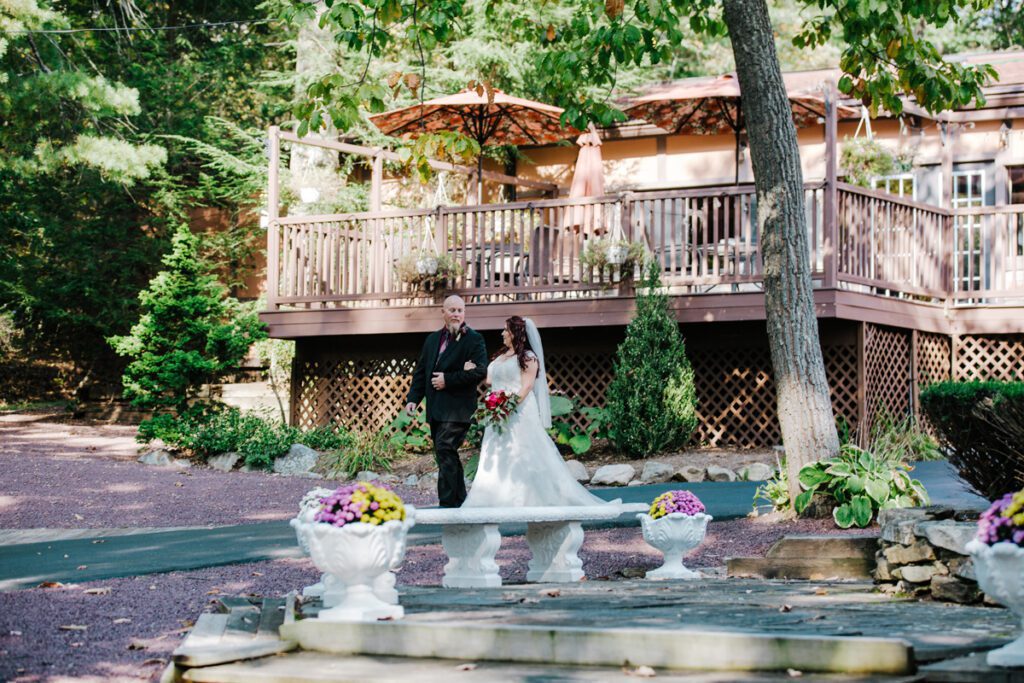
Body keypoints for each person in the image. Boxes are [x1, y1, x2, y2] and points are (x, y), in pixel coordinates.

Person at [462, 316, 611, 508]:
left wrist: (506, 406)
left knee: (526, 452)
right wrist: (474, 369)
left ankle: (534, 496)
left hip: (519, 412)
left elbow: (526, 387)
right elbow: (490, 381)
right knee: (497, 452)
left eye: (506, 330)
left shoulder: (528, 357)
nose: (502, 333)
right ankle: (496, 496)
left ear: (516, 333)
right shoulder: (501, 356)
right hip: (496, 412)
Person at [405, 295, 487, 508]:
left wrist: (447, 380)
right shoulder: (432, 340)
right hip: (436, 408)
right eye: (452, 310)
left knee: (445, 447)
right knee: (444, 453)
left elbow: (480, 371)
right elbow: (421, 371)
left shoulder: (473, 339)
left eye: (460, 310)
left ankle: (448, 503)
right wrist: (413, 398)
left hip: (459, 409)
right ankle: (459, 500)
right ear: (443, 312)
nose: (456, 314)